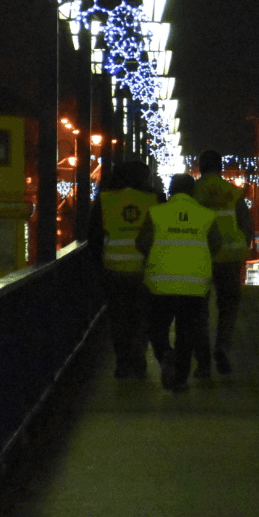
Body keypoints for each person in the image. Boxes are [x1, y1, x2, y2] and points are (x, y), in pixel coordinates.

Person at [136, 173, 222, 392]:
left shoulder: (156, 212)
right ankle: (180, 380)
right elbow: (216, 244)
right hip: (195, 285)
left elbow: (142, 243)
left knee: (156, 327)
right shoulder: (206, 215)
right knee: (187, 333)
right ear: (192, 191)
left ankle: (165, 355)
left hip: (159, 283)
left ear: (171, 190)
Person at [88, 160, 161, 378]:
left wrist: (98, 265)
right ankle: (138, 355)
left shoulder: (105, 199)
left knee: (119, 317)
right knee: (142, 314)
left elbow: (94, 236)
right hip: (145, 267)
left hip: (114, 267)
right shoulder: (153, 198)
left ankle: (122, 362)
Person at [193, 149, 253, 374]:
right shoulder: (233, 192)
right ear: (221, 168)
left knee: (199, 309)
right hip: (230, 256)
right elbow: (246, 224)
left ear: (200, 167)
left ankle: (202, 361)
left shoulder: (193, 191)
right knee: (228, 305)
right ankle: (223, 346)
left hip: (200, 255)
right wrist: (242, 246)